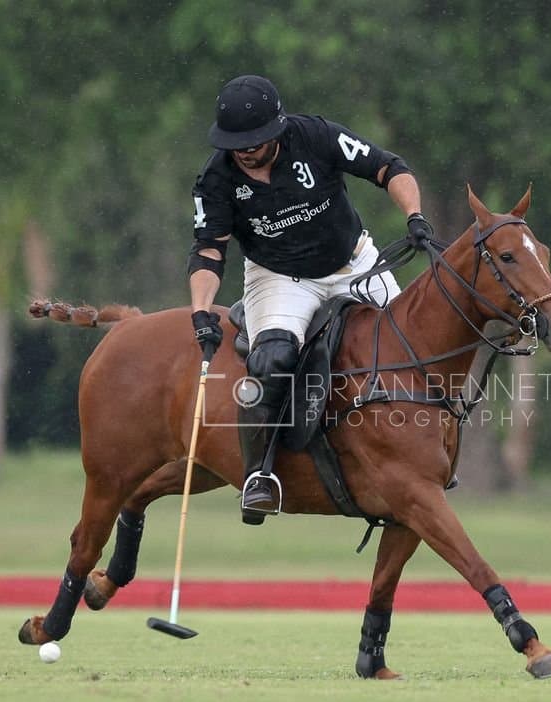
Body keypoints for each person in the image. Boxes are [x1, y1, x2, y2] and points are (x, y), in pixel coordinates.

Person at [186, 75, 434, 524]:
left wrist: (414, 217)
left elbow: (388, 168)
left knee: (413, 348)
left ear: (276, 129)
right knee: (272, 359)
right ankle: (259, 476)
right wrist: (201, 311)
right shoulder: (216, 179)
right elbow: (209, 251)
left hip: (354, 264)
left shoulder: (315, 136)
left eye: (254, 142)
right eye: (236, 144)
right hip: (280, 276)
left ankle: (433, 453)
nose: (245, 151)